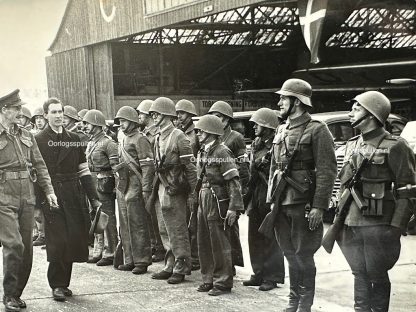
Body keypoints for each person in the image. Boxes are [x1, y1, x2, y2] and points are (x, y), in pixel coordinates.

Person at [336, 91, 416, 312]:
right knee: (358, 272)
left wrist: (396, 226)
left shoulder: (395, 146)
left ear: (371, 114)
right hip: (350, 221)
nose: (350, 113)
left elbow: (407, 191)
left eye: (356, 109)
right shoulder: (353, 144)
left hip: (377, 224)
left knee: (377, 273)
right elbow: (344, 183)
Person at [268, 78, 337, 312]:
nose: (279, 102)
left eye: (283, 98)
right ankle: (293, 300)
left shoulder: (317, 129)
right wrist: (271, 200)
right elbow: (273, 167)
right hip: (281, 201)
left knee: (304, 254)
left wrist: (319, 206)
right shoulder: (281, 129)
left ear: (296, 102)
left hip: (303, 203)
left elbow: (328, 170)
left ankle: (304, 305)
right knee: (288, 252)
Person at [35, 97, 102, 302]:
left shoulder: (73, 138)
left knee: (72, 237)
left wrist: (94, 199)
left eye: (60, 112)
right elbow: (37, 173)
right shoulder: (39, 140)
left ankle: (64, 283)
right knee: (58, 240)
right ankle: (56, 284)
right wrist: (39, 203)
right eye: (53, 112)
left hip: (73, 194)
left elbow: (83, 170)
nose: (58, 116)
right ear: (45, 115)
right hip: (51, 194)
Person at [0, 89, 58, 312]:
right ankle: (9, 293)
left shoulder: (26, 134)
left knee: (26, 248)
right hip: (3, 196)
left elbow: (40, 165)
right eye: (16, 109)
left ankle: (15, 294)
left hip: (27, 195)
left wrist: (49, 191)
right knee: (13, 244)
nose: (20, 113)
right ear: (5, 110)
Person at [148, 97, 197, 284]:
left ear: (168, 115)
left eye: (157, 113)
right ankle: (169, 264)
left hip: (176, 188)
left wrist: (193, 194)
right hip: (162, 187)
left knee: (177, 229)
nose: (154, 116)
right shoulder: (158, 136)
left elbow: (190, 168)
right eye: (152, 114)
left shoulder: (179, 136)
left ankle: (181, 266)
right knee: (163, 228)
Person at [194, 115, 244, 296]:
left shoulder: (222, 152)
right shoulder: (203, 151)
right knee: (204, 240)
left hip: (217, 200)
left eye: (201, 131)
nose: (198, 134)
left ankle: (222, 282)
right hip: (203, 197)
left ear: (211, 133)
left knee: (219, 241)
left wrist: (233, 207)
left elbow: (233, 181)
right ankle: (208, 279)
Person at [243, 108, 285, 291]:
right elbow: (251, 174)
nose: (254, 127)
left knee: (271, 238)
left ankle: (272, 276)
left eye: (257, 124)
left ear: (268, 126)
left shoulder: (276, 145)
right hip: (257, 193)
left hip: (270, 194)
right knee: (254, 235)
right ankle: (259, 272)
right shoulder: (256, 144)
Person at [208, 101, 249, 272]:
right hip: (216, 193)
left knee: (230, 229)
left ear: (225, 119)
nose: (214, 120)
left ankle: (230, 264)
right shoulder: (214, 136)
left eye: (217, 117)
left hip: (231, 189)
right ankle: (222, 265)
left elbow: (243, 167)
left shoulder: (236, 138)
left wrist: (239, 196)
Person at [114, 106, 154, 274]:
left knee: (137, 224)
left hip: (136, 184)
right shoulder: (123, 139)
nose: (121, 124)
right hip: (123, 184)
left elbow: (147, 166)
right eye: (120, 121)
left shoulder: (140, 139)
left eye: (123, 121)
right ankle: (129, 259)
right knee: (124, 223)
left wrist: (145, 189)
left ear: (132, 121)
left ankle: (142, 261)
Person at [83, 110, 119, 266]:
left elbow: (116, 169)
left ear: (97, 124)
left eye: (87, 123)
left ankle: (110, 252)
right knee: (95, 217)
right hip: (92, 184)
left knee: (107, 218)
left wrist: (116, 188)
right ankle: (98, 251)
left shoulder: (108, 143)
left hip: (105, 184)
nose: (85, 126)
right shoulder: (91, 142)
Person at [136, 99, 165, 262]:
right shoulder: (146, 133)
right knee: (150, 215)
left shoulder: (154, 134)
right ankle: (156, 245)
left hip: (155, 180)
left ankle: (160, 247)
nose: (139, 116)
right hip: (147, 179)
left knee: (156, 216)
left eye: (141, 113)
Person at [175, 99, 200, 271]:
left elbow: (195, 162)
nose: (179, 116)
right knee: (183, 221)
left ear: (190, 115)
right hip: (179, 182)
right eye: (177, 113)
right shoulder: (177, 133)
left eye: (182, 113)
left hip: (192, 181)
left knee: (194, 221)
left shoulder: (196, 134)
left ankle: (196, 256)